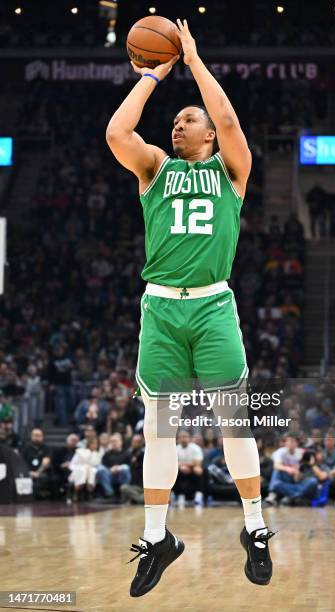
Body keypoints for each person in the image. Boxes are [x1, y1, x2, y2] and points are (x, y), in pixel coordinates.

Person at [106, 19, 274, 596]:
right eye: (176, 121)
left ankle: (254, 526)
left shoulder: (232, 170)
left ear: (208, 135)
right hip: (160, 310)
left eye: (189, 120)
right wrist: (152, 76)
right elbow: (116, 132)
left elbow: (227, 120)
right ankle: (158, 538)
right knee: (160, 431)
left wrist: (195, 62)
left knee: (233, 422)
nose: (179, 124)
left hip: (212, 307)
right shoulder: (155, 167)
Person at [265, 434, 318, 506]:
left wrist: (299, 473)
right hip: (285, 478)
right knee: (276, 473)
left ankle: (291, 495)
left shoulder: (302, 452)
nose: (290, 443)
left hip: (297, 482)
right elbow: (276, 465)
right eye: (288, 441)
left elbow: (304, 468)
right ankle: (272, 495)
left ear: (297, 443)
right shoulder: (280, 452)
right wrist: (289, 469)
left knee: (313, 481)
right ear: (285, 443)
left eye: (293, 441)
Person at [95, 433, 131, 499]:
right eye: (112, 441)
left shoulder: (127, 453)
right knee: (100, 469)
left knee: (126, 467)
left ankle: (124, 491)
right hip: (110, 475)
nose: (113, 443)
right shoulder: (107, 454)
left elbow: (130, 466)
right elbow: (103, 465)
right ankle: (110, 493)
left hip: (121, 475)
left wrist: (119, 468)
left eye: (115, 441)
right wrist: (111, 469)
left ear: (121, 442)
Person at [173, 430, 204, 506]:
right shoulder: (175, 449)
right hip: (179, 471)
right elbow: (173, 463)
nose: (183, 439)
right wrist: (181, 467)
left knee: (199, 470)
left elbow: (198, 463)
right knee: (172, 472)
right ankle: (178, 495)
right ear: (178, 439)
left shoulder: (196, 448)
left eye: (185, 437)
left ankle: (198, 495)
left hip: (193, 470)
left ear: (189, 438)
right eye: (181, 437)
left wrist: (184, 465)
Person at [68, 437, 103, 502]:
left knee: (92, 471)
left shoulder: (97, 454)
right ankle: (77, 491)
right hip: (78, 470)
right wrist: (83, 468)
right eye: (92, 443)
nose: (94, 445)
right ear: (88, 444)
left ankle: (89, 491)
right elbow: (72, 464)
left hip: (91, 471)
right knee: (83, 470)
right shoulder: (80, 452)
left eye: (96, 444)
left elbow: (97, 465)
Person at [22, 428, 53, 500]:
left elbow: (46, 461)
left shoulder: (47, 448)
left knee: (42, 478)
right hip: (27, 471)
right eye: (35, 435)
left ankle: (39, 497)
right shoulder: (26, 448)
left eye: (39, 436)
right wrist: (28, 472)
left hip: (41, 472)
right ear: (31, 436)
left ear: (42, 436)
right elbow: (21, 461)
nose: (37, 438)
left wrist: (37, 472)